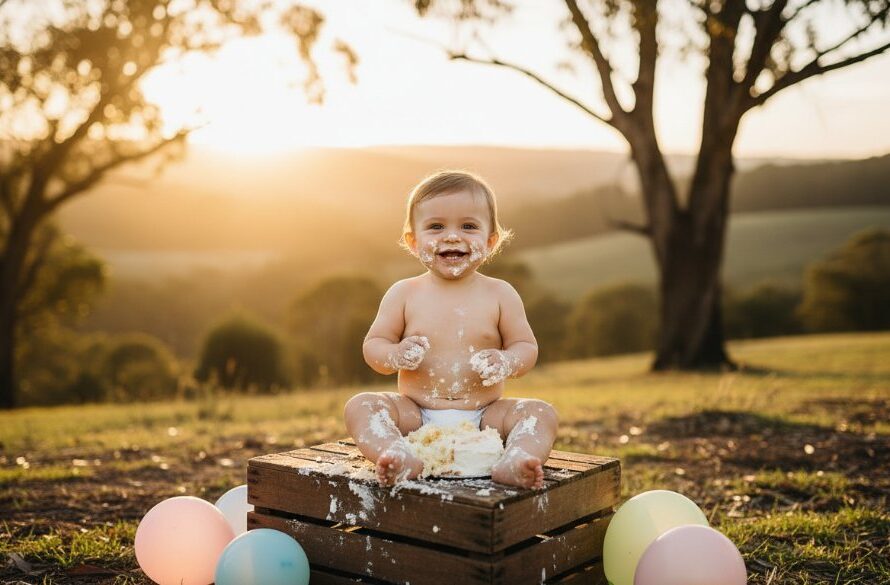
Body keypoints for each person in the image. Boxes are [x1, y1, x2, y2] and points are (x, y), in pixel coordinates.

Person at [344, 170, 558, 489]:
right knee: (361, 405)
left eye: (468, 226)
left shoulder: (500, 294)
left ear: (490, 241)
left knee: (541, 412)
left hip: (487, 417)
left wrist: (506, 361)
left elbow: (525, 347)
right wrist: (395, 354)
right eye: (436, 226)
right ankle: (396, 453)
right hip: (414, 414)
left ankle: (517, 460)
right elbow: (374, 346)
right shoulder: (404, 293)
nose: (452, 236)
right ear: (413, 242)